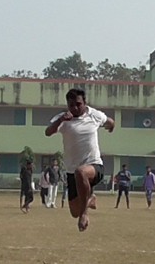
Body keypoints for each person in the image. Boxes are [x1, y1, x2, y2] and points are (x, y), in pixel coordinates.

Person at [45, 88, 114, 231]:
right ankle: (89, 200)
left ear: (84, 103)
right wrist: (61, 120)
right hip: (71, 172)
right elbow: (48, 132)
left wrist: (111, 126)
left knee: (81, 172)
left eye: (78, 104)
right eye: (71, 105)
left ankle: (85, 214)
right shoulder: (63, 119)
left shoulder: (93, 115)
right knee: (74, 212)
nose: (75, 108)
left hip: (94, 167)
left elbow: (110, 121)